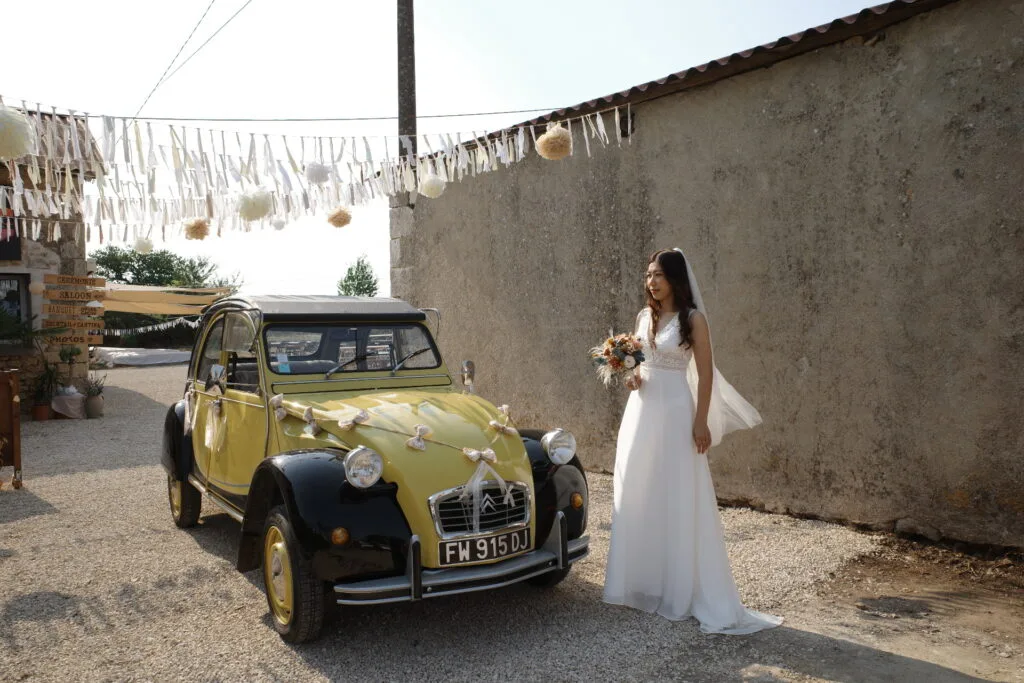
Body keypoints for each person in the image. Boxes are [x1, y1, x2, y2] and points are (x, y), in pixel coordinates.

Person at [603, 248, 782, 634]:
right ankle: (642, 583)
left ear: (675, 279)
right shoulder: (644, 316)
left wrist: (700, 421)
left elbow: (705, 375)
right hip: (641, 413)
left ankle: (681, 590)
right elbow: (641, 366)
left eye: (658, 275)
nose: (651, 281)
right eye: (648, 275)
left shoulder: (693, 319)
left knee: (678, 493)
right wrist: (632, 378)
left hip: (676, 413)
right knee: (637, 488)